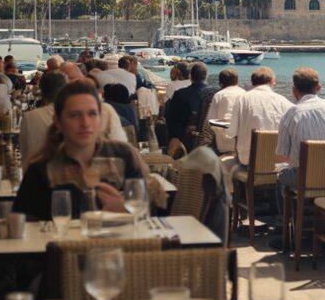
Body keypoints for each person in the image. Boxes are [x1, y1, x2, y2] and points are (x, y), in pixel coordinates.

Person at [12, 82, 144, 221]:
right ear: (58, 122)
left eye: (92, 114)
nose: (85, 123)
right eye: (75, 115)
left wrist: (127, 210)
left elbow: (144, 215)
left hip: (120, 241)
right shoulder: (41, 170)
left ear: (100, 119)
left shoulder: (123, 156)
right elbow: (28, 231)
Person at [275, 67, 325, 222]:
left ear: (294, 91)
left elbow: (283, 155)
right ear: (319, 88)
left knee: (280, 176)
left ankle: (284, 227)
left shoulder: (292, 114)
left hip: (305, 177)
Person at [19, 71, 68, 169]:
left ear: (42, 92)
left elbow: (23, 151)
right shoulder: (72, 115)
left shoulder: (29, 117)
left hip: (33, 175)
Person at [164, 63, 215, 156]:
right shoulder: (214, 94)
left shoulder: (180, 94)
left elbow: (170, 118)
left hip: (184, 140)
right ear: (206, 76)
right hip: (208, 141)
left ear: (190, 77)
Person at [207, 68, 244, 154]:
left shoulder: (219, 95)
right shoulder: (245, 94)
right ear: (237, 81)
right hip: (240, 144)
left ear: (220, 83)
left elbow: (211, 120)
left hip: (222, 145)